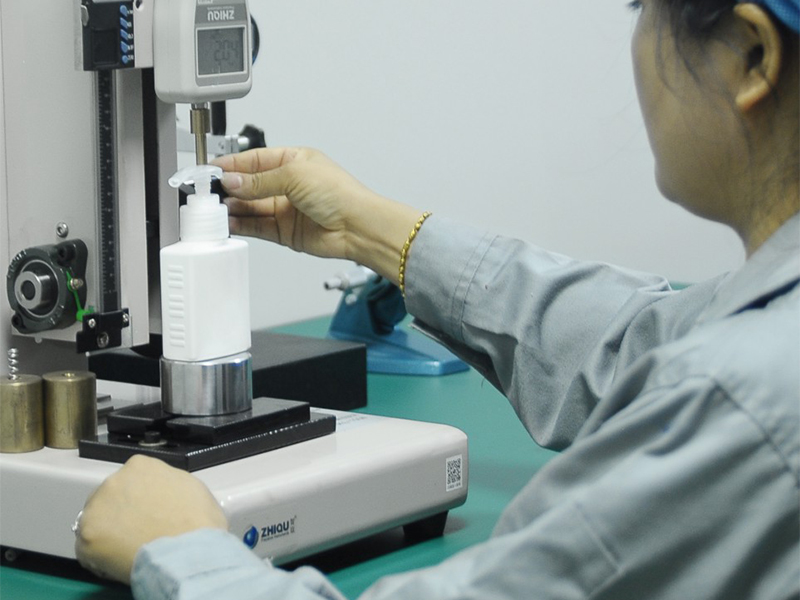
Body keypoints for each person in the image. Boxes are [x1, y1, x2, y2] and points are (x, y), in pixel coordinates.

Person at [75, 0, 799, 598]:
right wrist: (372, 230)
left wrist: (187, 553)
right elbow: (637, 344)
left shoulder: (747, 396)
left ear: (751, 54)